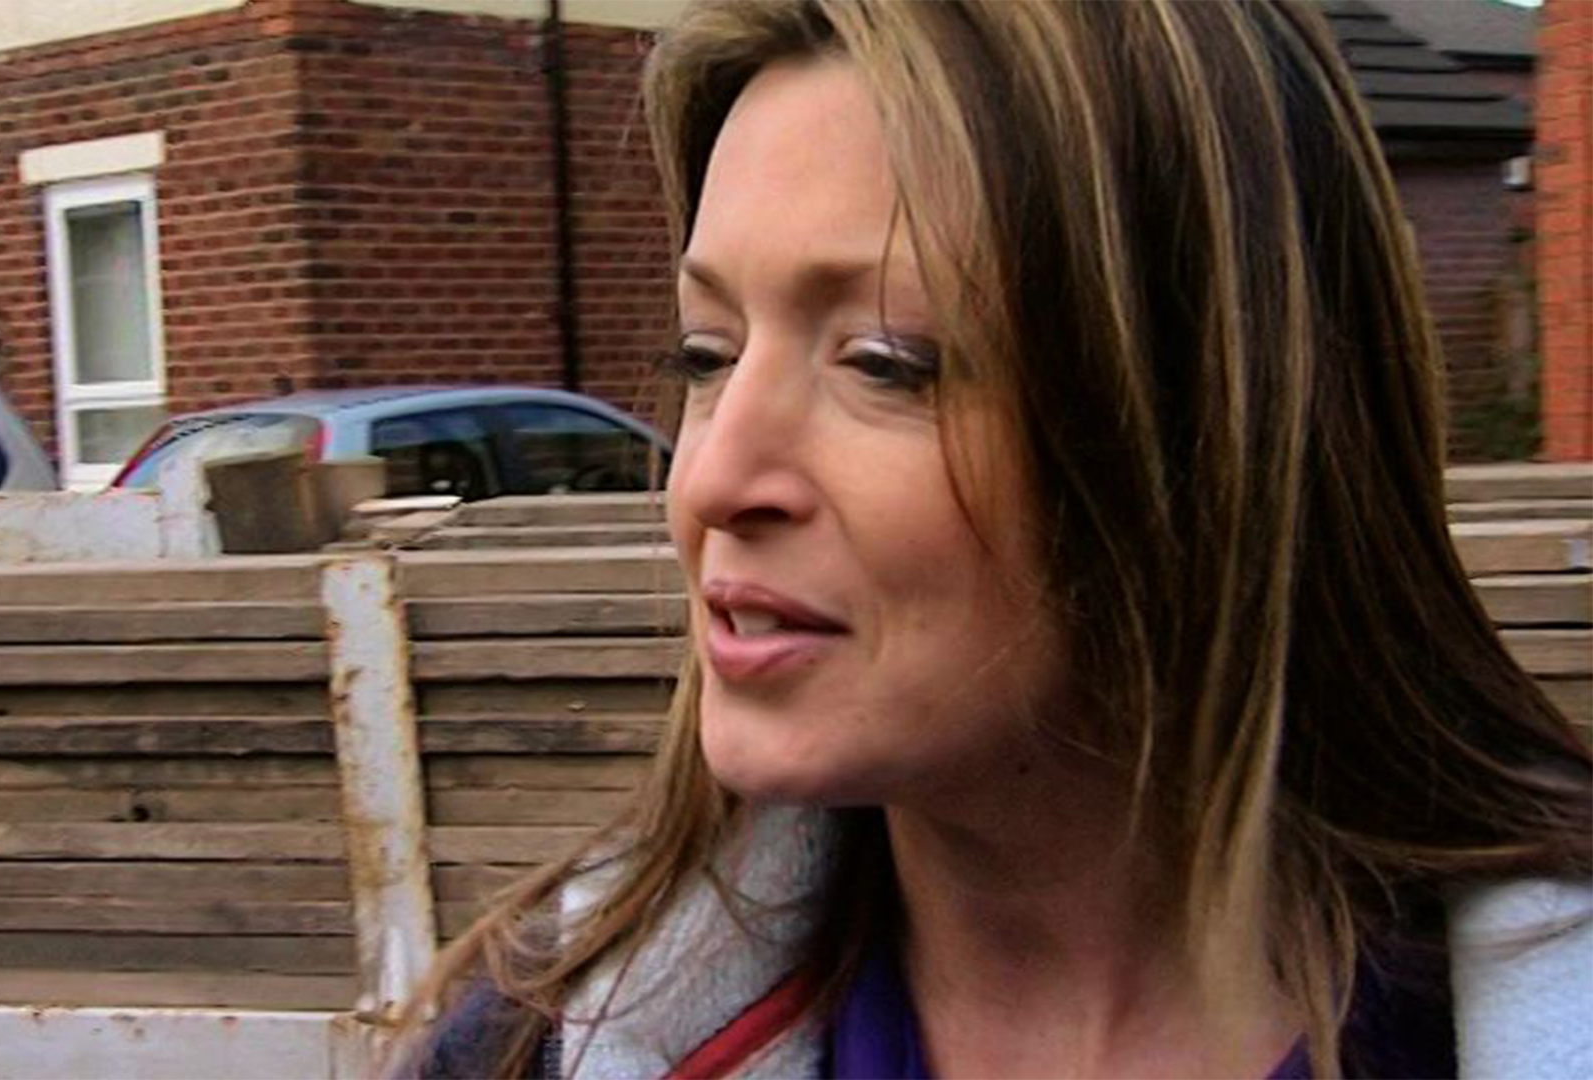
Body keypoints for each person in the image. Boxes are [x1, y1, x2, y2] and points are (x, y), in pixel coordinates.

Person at [395, 2, 1593, 1076]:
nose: (711, 479)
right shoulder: (534, 1043)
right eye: (706, 355)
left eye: (885, 363)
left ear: (1209, 433)